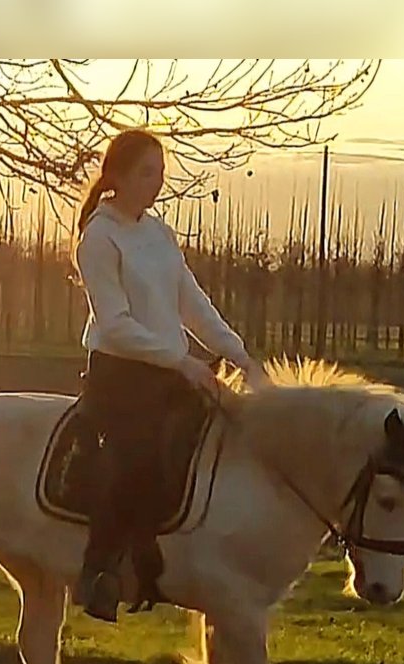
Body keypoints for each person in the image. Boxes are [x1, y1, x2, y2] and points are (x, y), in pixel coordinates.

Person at [71, 127, 269, 623]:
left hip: (165, 372)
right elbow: (115, 326)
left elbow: (192, 304)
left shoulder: (157, 233)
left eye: (160, 173)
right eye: (146, 173)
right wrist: (182, 362)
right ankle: (104, 570)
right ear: (116, 176)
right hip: (120, 376)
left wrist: (239, 356)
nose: (156, 183)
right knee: (138, 457)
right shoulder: (99, 237)